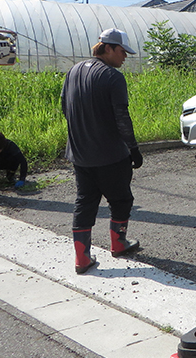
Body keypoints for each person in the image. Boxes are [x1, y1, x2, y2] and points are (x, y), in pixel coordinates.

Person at [61, 28, 144, 275]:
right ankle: (118, 244)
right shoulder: (113, 77)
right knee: (121, 199)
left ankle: (82, 259)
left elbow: (65, 107)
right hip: (110, 155)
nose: (125, 57)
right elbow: (122, 118)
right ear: (107, 48)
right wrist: (134, 149)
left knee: (85, 202)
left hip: (79, 154)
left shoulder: (73, 71)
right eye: (122, 52)